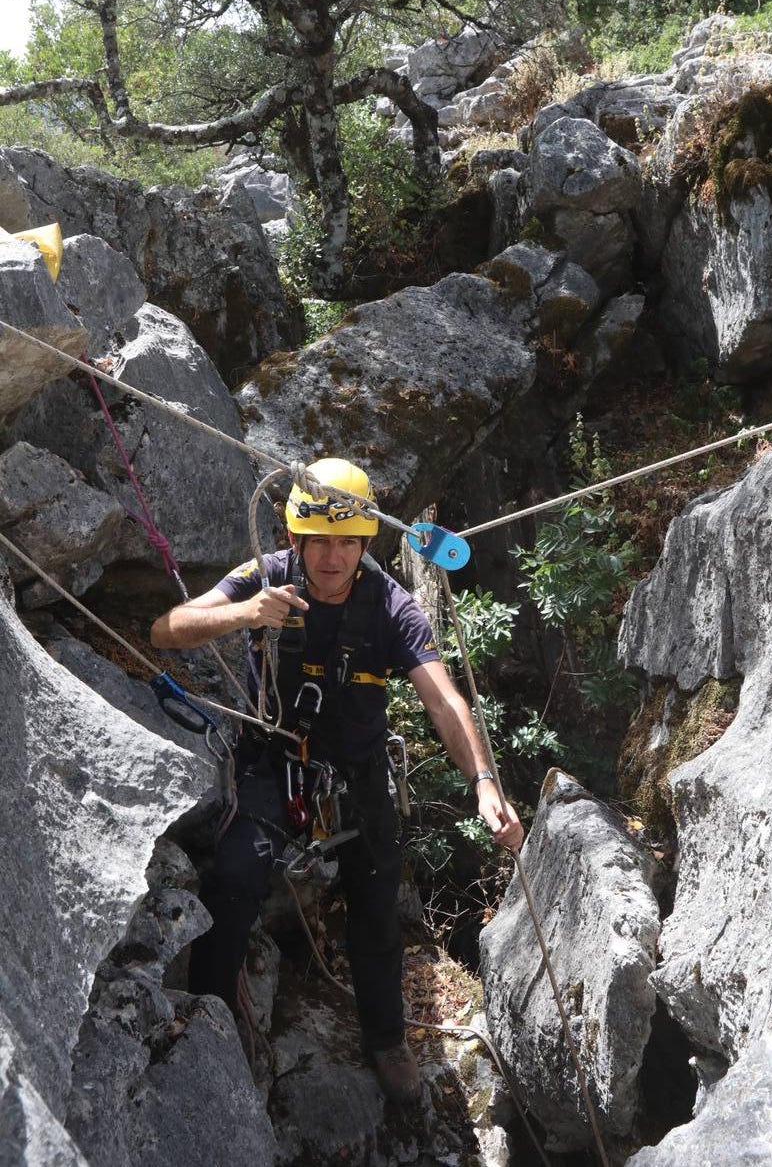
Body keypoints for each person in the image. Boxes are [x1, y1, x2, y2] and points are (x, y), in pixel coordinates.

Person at [150, 456, 522, 1105]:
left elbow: (443, 700)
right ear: (294, 538)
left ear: (365, 543)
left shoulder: (392, 607)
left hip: (358, 773)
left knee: (377, 903)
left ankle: (386, 1038)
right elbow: (167, 630)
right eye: (318, 540)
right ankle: (211, 1017)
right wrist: (244, 614)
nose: (332, 557)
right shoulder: (266, 577)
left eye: (347, 542)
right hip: (274, 762)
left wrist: (484, 781)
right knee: (234, 877)